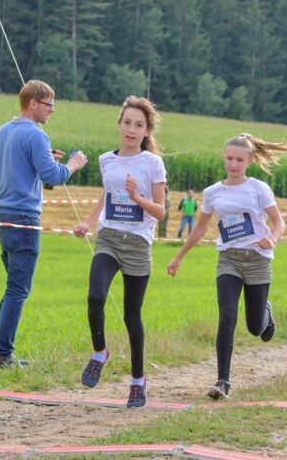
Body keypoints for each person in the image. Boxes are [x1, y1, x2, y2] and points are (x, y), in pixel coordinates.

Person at [167, 133, 287, 399]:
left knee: (255, 328)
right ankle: (223, 381)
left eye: (239, 160)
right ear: (224, 158)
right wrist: (178, 257)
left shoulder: (259, 188)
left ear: (249, 161)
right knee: (227, 315)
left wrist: (272, 239)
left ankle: (265, 312)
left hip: (257, 260)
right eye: (229, 158)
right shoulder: (212, 192)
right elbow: (200, 228)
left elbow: (279, 223)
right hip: (229, 259)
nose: (233, 164)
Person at [0, 80, 89, 368]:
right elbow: (54, 177)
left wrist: (46, 160)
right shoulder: (36, 135)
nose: (52, 110)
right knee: (18, 291)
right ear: (33, 103)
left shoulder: (2, 132)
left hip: (1, 218)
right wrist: (74, 163)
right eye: (49, 104)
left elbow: (24, 168)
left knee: (12, 288)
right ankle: (3, 356)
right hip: (24, 221)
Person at [73, 96, 166, 408]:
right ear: (119, 124)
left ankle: (138, 380)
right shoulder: (106, 160)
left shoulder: (152, 163)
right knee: (95, 296)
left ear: (146, 131)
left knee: (131, 315)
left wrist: (137, 198)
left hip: (138, 243)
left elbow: (160, 211)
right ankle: (100, 352)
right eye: (127, 122)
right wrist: (88, 222)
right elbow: (106, 196)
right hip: (109, 238)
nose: (131, 129)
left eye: (138, 125)